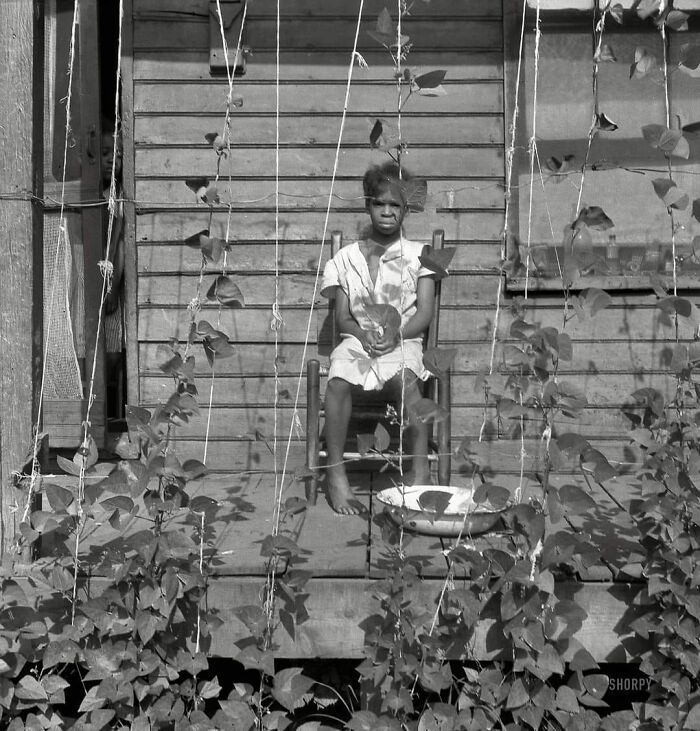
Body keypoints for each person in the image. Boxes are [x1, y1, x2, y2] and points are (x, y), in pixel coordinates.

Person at [320, 162, 436, 515]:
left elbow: (424, 314)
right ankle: (336, 473)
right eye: (379, 203)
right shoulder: (346, 258)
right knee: (338, 377)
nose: (387, 212)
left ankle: (418, 471)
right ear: (367, 205)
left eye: (396, 205)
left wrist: (396, 335)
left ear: (406, 208)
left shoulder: (421, 256)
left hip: (404, 339)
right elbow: (343, 317)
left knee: (406, 379)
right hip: (359, 339)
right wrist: (361, 334)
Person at [101, 121, 126, 421]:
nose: (111, 159)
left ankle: (109, 412)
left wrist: (114, 289)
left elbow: (119, 245)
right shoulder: (91, 192)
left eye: (117, 154)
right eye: (105, 152)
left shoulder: (117, 196)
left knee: (113, 352)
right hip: (87, 281)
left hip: (111, 284)